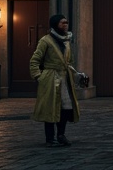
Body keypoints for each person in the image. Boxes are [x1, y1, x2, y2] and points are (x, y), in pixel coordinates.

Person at [30, 14, 81, 147]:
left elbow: (70, 61)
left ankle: (61, 135)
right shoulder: (45, 41)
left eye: (66, 22)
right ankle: (49, 138)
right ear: (55, 25)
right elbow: (35, 60)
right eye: (62, 23)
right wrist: (39, 77)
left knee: (65, 107)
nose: (65, 25)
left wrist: (74, 74)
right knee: (50, 108)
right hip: (50, 78)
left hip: (65, 78)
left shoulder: (67, 40)